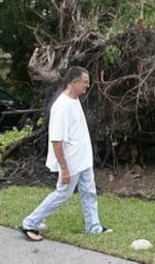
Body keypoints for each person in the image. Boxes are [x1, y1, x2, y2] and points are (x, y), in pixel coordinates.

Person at [19, 66, 112, 241]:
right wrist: (65, 168)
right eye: (84, 83)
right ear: (73, 82)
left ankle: (94, 227)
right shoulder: (61, 106)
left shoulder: (74, 100)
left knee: (89, 191)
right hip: (71, 161)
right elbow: (56, 140)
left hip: (83, 159)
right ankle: (29, 223)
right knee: (63, 194)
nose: (87, 86)